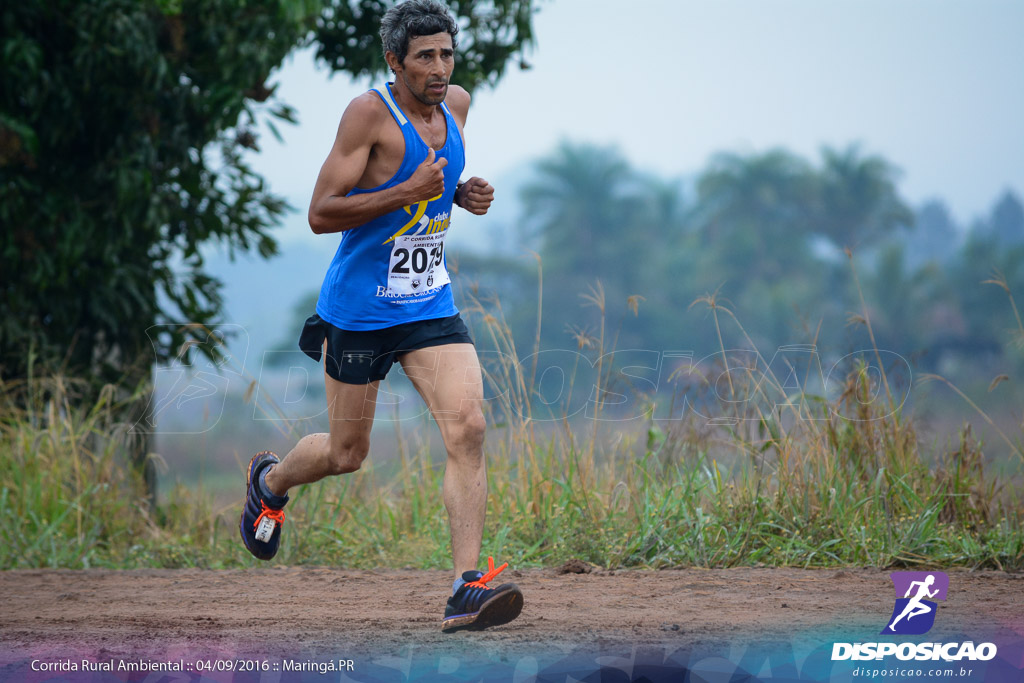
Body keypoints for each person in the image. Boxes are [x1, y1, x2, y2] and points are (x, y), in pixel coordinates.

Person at [239, 0, 523, 633]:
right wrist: (405, 192)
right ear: (395, 61)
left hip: (428, 304)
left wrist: (460, 193)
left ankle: (465, 586)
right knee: (347, 453)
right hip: (361, 312)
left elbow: (437, 184)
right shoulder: (369, 113)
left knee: (470, 427)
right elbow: (321, 212)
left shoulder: (458, 107)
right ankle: (271, 482)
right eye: (425, 56)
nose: (439, 68)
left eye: (447, 54)